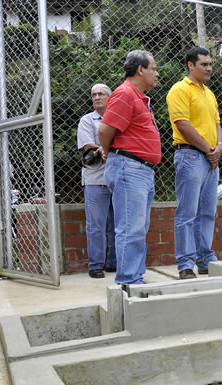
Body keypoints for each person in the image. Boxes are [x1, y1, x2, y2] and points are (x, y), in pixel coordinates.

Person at [98, 50, 161, 285]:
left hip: (139, 169)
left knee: (137, 228)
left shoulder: (137, 96)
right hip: (129, 167)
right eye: (153, 68)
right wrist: (108, 151)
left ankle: (134, 277)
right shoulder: (125, 94)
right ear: (140, 70)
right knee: (130, 228)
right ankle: (128, 282)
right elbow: (104, 130)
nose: (157, 73)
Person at [167, 47, 222, 280]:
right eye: (204, 64)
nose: (209, 68)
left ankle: (205, 259)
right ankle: (185, 264)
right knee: (187, 214)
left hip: (211, 159)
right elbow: (182, 124)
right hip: (190, 156)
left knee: (208, 212)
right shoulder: (179, 89)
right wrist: (208, 150)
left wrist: (219, 146)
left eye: (210, 64)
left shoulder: (209, 93)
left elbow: (217, 123)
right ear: (191, 65)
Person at [77, 84, 116, 279]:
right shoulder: (87, 120)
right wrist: (110, 149)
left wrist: (104, 148)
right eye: (94, 95)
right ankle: (95, 266)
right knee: (96, 226)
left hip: (117, 179)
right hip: (95, 180)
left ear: (110, 97)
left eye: (101, 94)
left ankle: (114, 263)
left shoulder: (117, 117)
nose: (97, 97)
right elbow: (88, 148)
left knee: (119, 225)